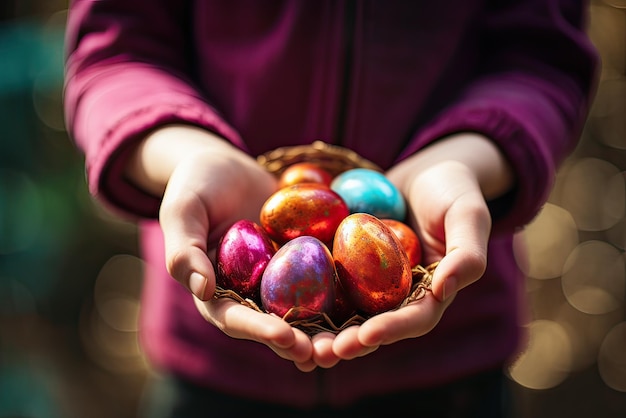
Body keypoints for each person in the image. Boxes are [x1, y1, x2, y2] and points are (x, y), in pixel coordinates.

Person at [63, 1, 599, 417]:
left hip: (450, 369)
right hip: (215, 372)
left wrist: (469, 158)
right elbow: (114, 53)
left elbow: (542, 57)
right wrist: (186, 154)